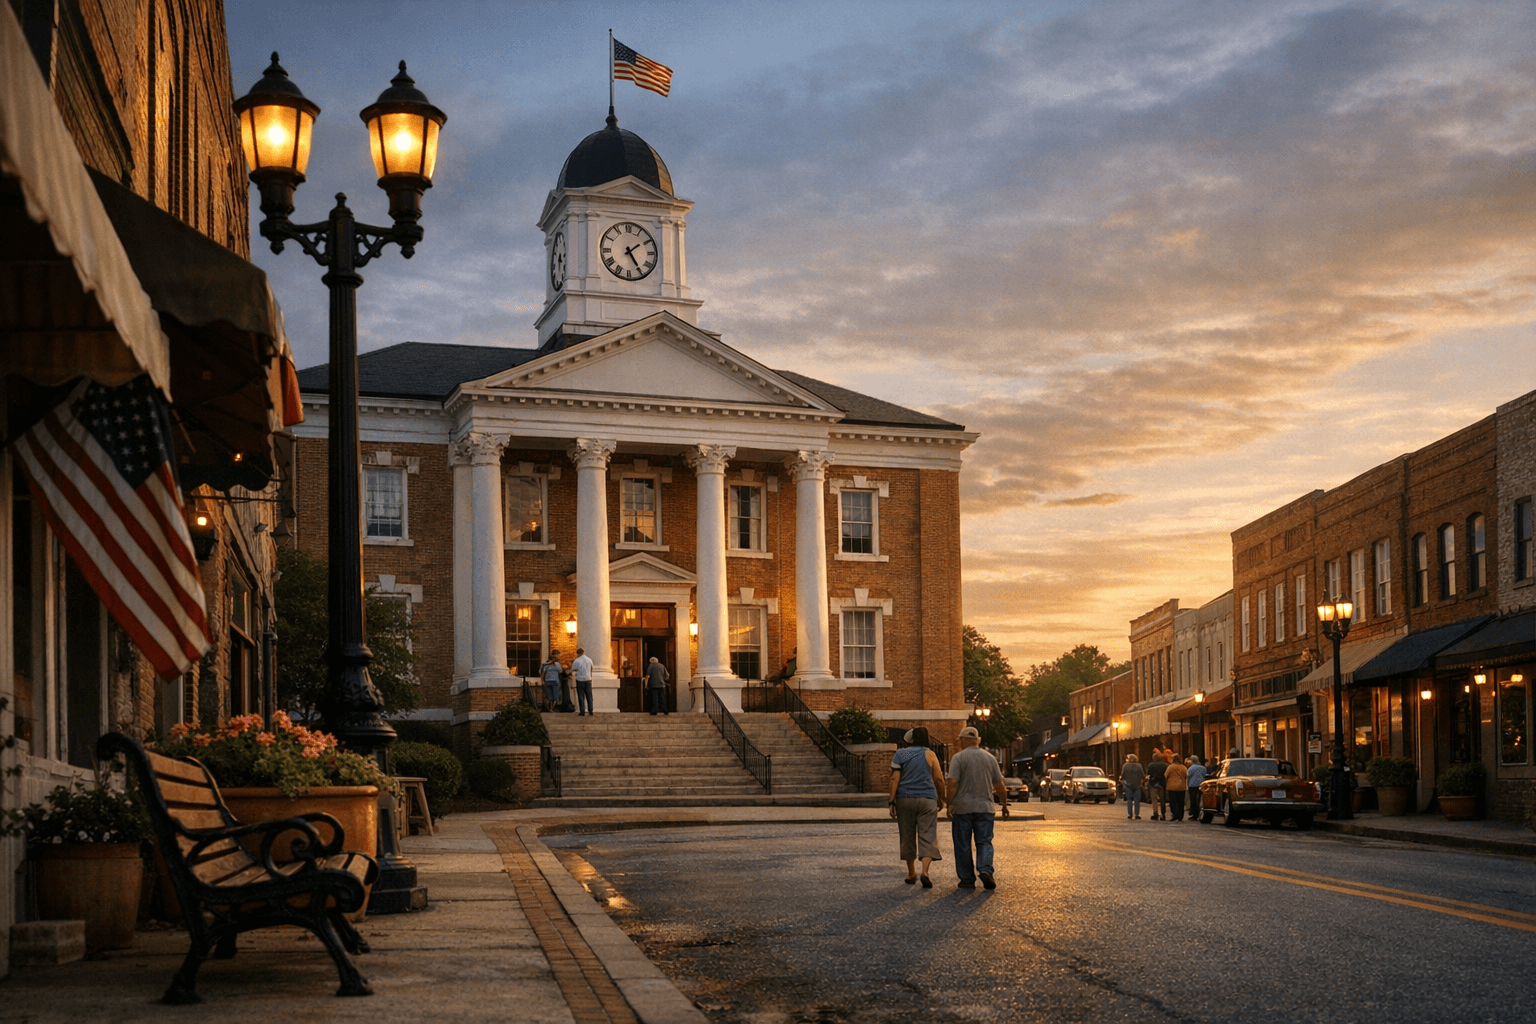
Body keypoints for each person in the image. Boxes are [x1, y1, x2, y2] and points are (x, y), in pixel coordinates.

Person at [945, 726, 1009, 890]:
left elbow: (952, 783)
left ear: (963, 740)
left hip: (962, 808)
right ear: (977, 740)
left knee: (963, 844)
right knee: (985, 842)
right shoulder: (990, 758)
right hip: (985, 807)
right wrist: (1003, 804)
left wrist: (949, 802)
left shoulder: (958, 758)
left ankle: (967, 879)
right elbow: (999, 784)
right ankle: (986, 869)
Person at [888, 727, 945, 888]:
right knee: (928, 834)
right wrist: (942, 797)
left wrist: (891, 801)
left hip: (905, 799)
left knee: (907, 835)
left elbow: (894, 779)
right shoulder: (930, 754)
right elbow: (939, 779)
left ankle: (911, 873)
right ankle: (925, 872)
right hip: (927, 799)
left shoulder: (900, 754)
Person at [1164, 753, 1189, 821]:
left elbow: (1166, 775)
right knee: (1181, 801)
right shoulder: (1183, 767)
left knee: (1173, 801)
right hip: (1181, 786)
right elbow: (1186, 775)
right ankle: (1180, 815)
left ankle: (1175, 814)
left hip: (1172, 786)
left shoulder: (1171, 767)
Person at [1120, 753, 1145, 820]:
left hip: (1128, 785)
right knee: (1137, 800)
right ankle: (1137, 814)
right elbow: (1142, 775)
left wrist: (1123, 781)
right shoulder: (1139, 766)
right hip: (1137, 785)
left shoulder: (1125, 766)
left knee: (1129, 800)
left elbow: (1122, 775)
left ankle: (1129, 814)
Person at [1146, 751, 1168, 820]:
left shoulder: (1150, 765)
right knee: (1162, 799)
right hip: (1162, 783)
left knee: (1154, 799)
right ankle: (1163, 814)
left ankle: (1155, 813)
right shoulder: (1165, 765)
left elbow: (1148, 773)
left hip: (1153, 783)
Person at [571, 647, 594, 716]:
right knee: (589, 695)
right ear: (584, 652)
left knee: (581, 696)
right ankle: (590, 710)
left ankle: (582, 711)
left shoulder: (577, 660)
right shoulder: (589, 660)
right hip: (588, 679)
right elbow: (592, 669)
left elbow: (573, 669)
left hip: (580, 679)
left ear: (578, 653)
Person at [1185, 755, 1207, 823]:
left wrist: (1187, 785)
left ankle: (1194, 814)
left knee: (1193, 800)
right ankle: (1199, 812)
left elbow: (1187, 777)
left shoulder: (1191, 768)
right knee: (1199, 799)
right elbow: (1204, 775)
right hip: (1200, 785)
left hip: (1192, 785)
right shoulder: (1203, 768)